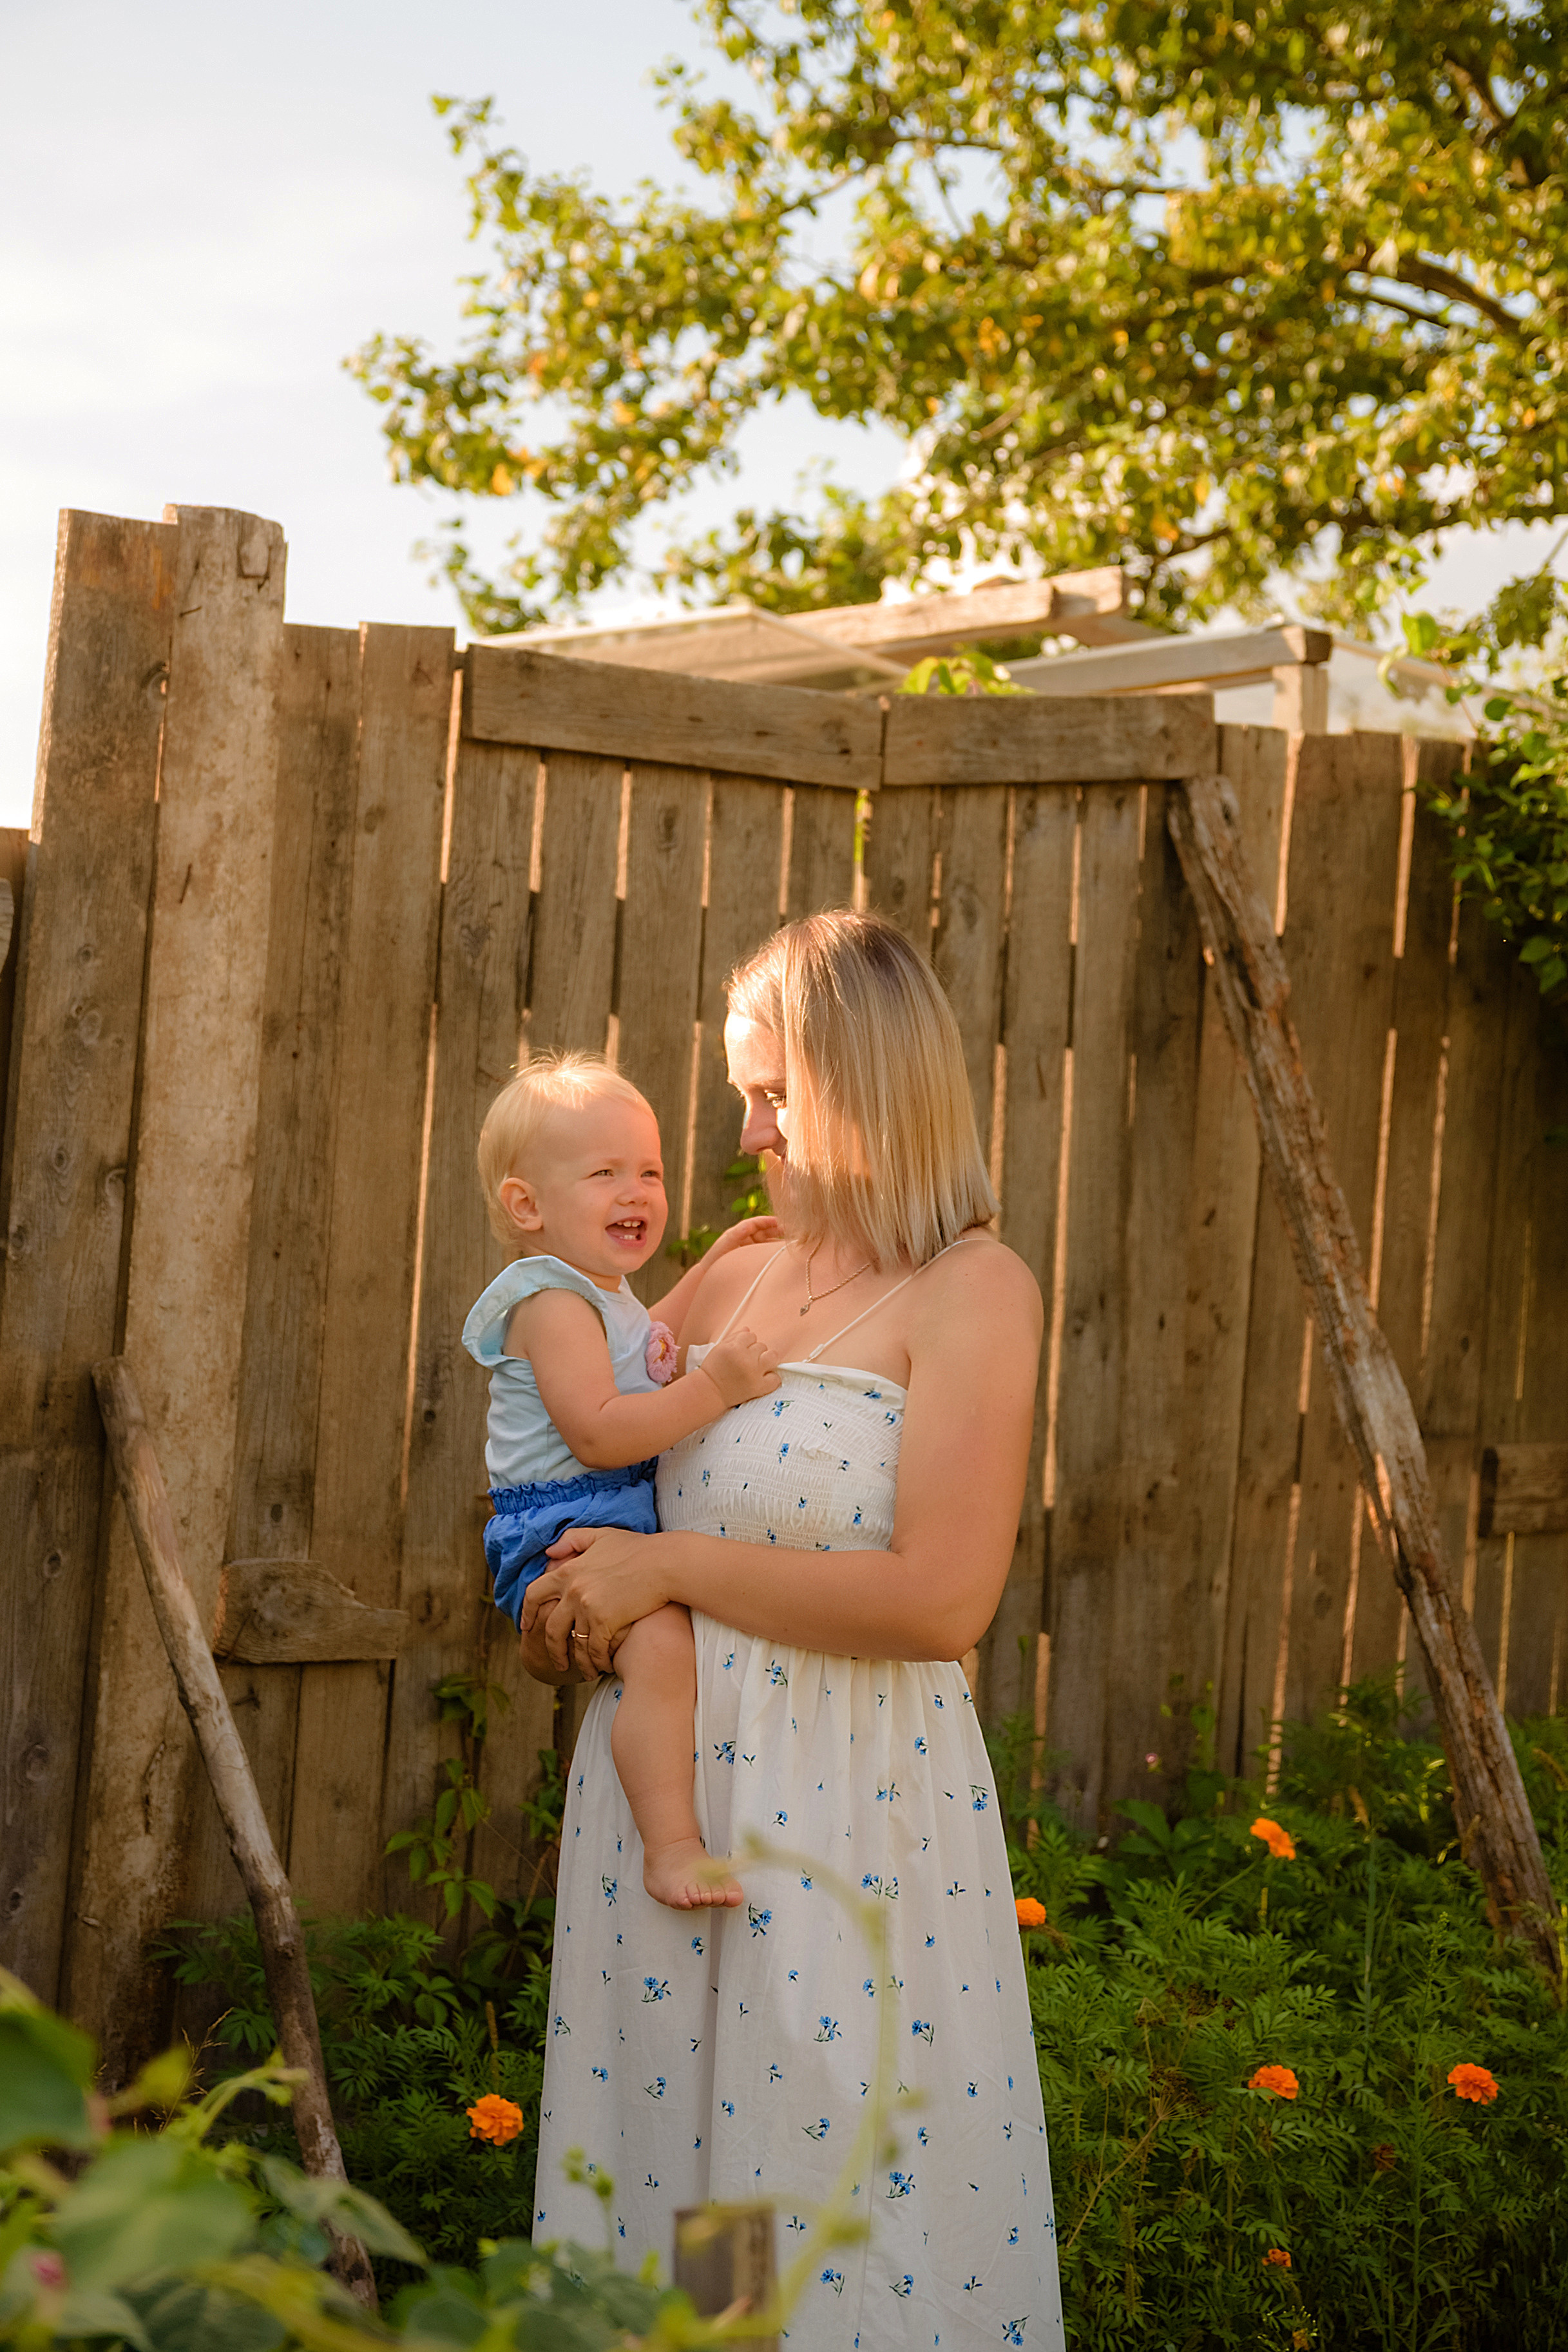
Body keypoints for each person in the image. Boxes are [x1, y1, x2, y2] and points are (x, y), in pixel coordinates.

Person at [521, 913, 1064, 2352]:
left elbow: (942, 1599)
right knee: (692, 2198)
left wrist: (669, 1565)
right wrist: (565, 1606)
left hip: (850, 1815)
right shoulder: (737, 1272)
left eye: (773, 1092)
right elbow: (594, 1491)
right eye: (742, 1090)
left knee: (831, 2186)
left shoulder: (971, 1290)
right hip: (675, 1812)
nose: (745, 1127)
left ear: (868, 1081)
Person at [462, 1053, 782, 1907]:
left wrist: (715, 1262)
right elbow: (601, 1432)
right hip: (561, 1521)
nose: (635, 1191)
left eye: (649, 1171)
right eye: (604, 1174)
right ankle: (670, 1847)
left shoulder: (600, 1297)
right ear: (526, 1205)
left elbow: (649, 1350)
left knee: (672, 1649)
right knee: (664, 1649)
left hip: (603, 1511)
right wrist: (712, 1391)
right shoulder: (551, 1302)